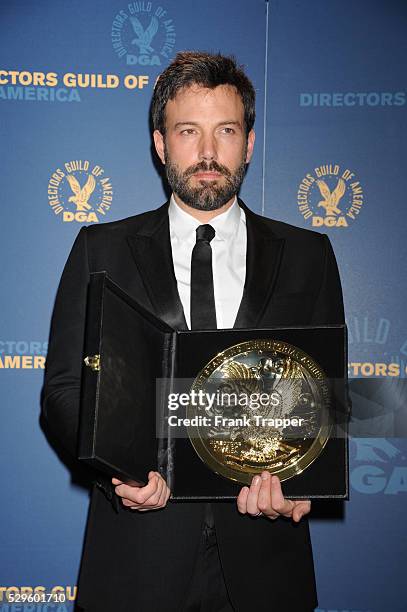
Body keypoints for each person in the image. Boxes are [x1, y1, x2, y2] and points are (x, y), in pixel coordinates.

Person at [41, 51, 344, 612]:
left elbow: (328, 397)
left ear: (248, 143)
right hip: (135, 560)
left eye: (226, 130)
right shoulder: (99, 249)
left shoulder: (309, 255)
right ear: (161, 144)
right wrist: (115, 474)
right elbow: (64, 391)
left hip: (267, 564)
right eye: (188, 131)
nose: (208, 152)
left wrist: (304, 483)